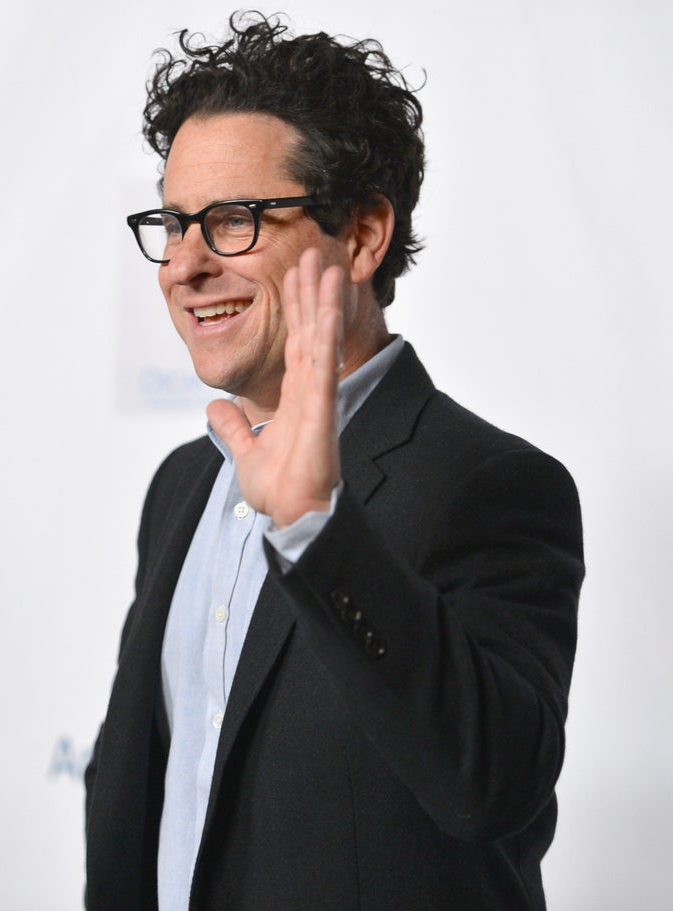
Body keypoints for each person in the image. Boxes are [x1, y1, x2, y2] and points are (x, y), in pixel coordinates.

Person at [84, 12, 585, 911]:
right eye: (172, 223)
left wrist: (319, 527)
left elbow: (493, 788)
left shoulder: (492, 484)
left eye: (232, 219)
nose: (184, 265)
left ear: (360, 237)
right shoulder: (182, 486)